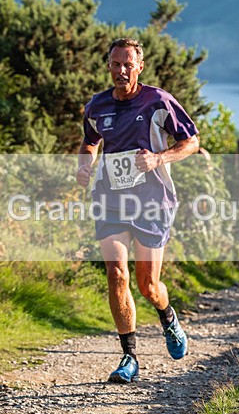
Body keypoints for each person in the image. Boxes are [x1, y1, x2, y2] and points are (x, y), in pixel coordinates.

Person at [76, 38, 200, 383]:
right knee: (116, 274)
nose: (121, 71)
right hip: (110, 200)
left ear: (139, 67)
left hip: (152, 201)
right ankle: (129, 356)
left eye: (128, 65)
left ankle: (167, 315)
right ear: (109, 65)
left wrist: (159, 158)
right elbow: (89, 143)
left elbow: (192, 141)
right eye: (115, 64)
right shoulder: (97, 105)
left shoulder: (158, 100)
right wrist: (84, 166)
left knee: (149, 285)